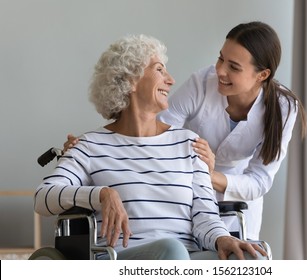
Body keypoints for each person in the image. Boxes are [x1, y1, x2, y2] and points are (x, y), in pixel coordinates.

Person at [64, 21, 307, 241]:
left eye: (233, 67)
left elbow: (260, 180)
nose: (220, 71)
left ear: (262, 75)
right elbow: (154, 130)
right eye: (221, 58)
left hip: (233, 200)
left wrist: (207, 174)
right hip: (185, 194)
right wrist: (88, 152)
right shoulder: (203, 83)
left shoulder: (284, 109)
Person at [34, 34, 266, 260]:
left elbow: (205, 216)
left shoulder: (188, 143)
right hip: (123, 258)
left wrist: (222, 239)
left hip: (188, 256)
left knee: (250, 258)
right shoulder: (90, 145)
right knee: (172, 251)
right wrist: (101, 194)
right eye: (159, 69)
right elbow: (43, 197)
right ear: (130, 80)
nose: (171, 79)